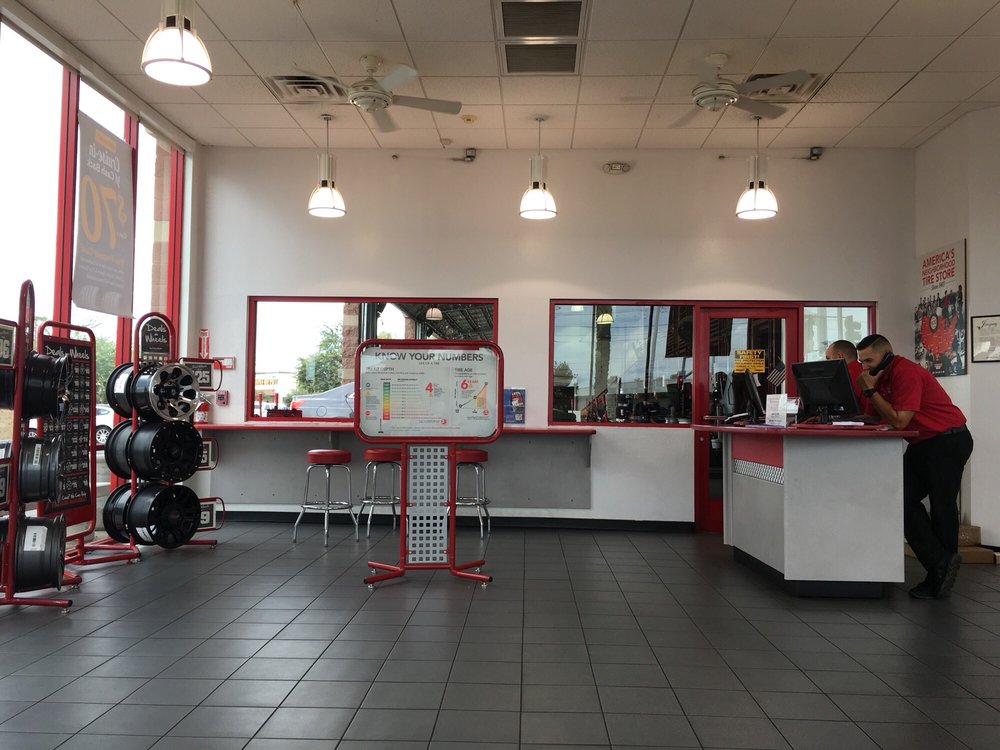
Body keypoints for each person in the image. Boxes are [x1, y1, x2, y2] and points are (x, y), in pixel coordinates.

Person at [856, 334, 974, 599]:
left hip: (947, 440)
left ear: (887, 355)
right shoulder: (878, 377)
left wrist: (870, 391)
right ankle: (940, 563)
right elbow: (873, 417)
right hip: (922, 443)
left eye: (869, 360)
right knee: (899, 500)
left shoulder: (906, 373)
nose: (864, 367)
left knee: (942, 506)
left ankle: (939, 577)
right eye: (861, 361)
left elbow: (899, 421)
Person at [825, 339, 867, 409]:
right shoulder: (865, 370)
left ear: (840, 356)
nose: (827, 363)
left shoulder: (843, 376)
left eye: (828, 358)